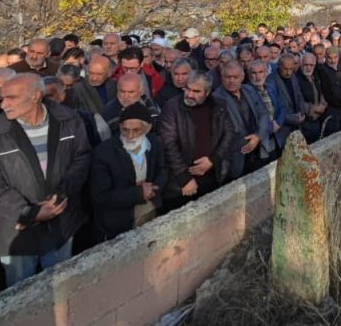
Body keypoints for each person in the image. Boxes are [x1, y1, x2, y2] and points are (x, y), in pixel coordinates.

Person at [0, 73, 91, 288]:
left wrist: (57, 200)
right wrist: (30, 213)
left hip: (61, 223)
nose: (3, 104)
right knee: (21, 293)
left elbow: (81, 159)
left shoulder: (70, 121)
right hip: (16, 230)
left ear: (36, 95)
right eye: (2, 98)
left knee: (61, 287)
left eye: (11, 98)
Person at [89, 103, 165, 241]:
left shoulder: (155, 143)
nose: (130, 136)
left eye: (136, 130)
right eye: (125, 130)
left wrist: (154, 189)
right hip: (119, 221)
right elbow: (100, 196)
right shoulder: (104, 152)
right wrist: (138, 193)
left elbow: (162, 169)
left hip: (149, 210)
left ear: (147, 128)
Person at [157, 72, 230, 211]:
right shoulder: (172, 108)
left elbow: (228, 133)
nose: (190, 94)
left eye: (196, 91)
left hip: (211, 175)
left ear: (207, 93)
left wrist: (213, 160)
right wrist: (185, 178)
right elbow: (168, 144)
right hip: (180, 184)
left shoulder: (218, 105)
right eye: (187, 89)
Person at [213, 61, 274, 178]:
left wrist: (258, 136)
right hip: (234, 157)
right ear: (221, 77)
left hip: (257, 150)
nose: (231, 80)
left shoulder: (249, 90)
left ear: (242, 77)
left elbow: (262, 113)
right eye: (227, 77)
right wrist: (248, 142)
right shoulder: (216, 98)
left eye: (235, 77)